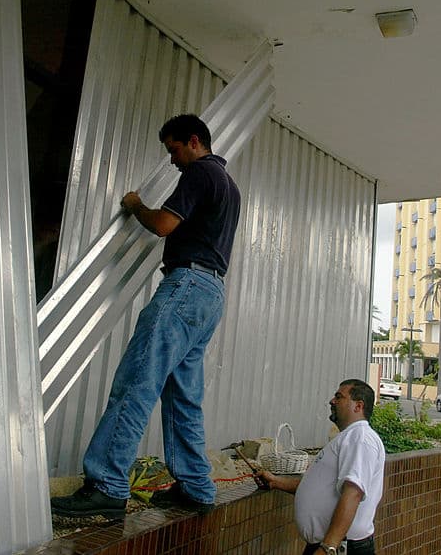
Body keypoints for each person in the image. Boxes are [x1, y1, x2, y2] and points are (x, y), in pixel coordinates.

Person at [51, 114, 241, 520]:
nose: (172, 161)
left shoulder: (199, 173)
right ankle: (196, 487)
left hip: (185, 287)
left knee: (137, 381)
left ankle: (106, 484)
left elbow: (163, 224)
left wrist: (136, 204)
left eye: (174, 150)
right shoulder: (230, 185)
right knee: (184, 398)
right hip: (211, 294)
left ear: (194, 141)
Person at [256, 379, 386, 555]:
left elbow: (353, 493)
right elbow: (321, 487)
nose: (332, 401)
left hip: (339, 548)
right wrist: (276, 482)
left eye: (339, 397)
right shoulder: (349, 438)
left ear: (358, 406)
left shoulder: (360, 438)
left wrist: (328, 547)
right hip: (331, 545)